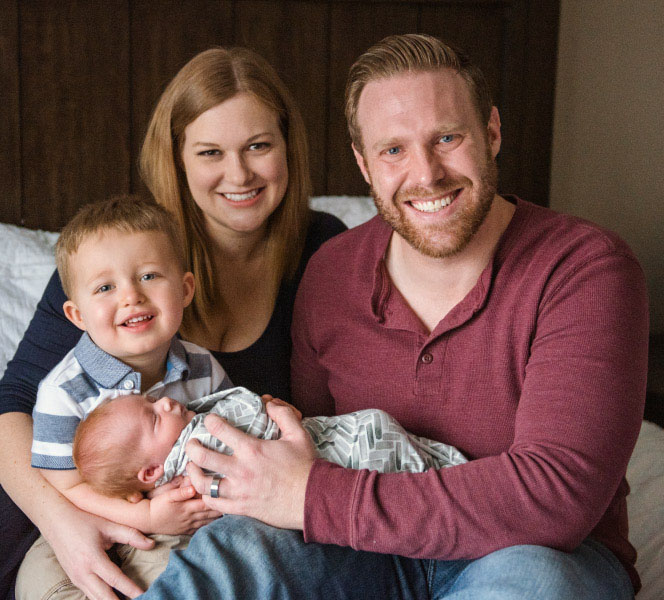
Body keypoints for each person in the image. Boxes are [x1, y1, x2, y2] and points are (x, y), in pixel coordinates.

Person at [131, 34, 648, 599]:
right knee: (243, 548)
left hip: (533, 553)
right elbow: (316, 437)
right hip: (367, 553)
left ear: (492, 132)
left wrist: (310, 495)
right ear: (363, 163)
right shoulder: (331, 272)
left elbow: (555, 496)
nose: (426, 174)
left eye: (447, 138)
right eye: (393, 150)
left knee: (535, 585)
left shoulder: (584, 268)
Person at [0, 46, 345, 600]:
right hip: (48, 453)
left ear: (289, 146)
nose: (238, 174)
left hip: (185, 488)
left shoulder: (325, 248)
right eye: (210, 152)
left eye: (259, 146)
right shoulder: (121, 250)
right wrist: (62, 520)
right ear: (178, 160)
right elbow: (12, 403)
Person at [15, 195, 231, 600]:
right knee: (40, 583)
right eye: (105, 287)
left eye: (149, 276)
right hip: (90, 520)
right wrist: (146, 515)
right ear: (77, 315)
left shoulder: (202, 368)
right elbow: (68, 489)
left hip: (189, 520)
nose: (131, 296)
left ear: (185, 289)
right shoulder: (65, 393)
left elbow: (231, 433)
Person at [61, 385, 466, 594]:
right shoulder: (195, 445)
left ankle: (449, 485)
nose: (166, 402)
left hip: (318, 471)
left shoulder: (175, 462)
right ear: (150, 472)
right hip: (331, 483)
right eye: (153, 417)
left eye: (153, 400)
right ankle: (446, 480)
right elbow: (246, 412)